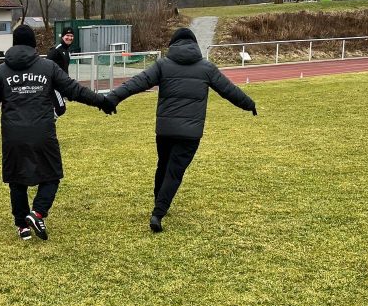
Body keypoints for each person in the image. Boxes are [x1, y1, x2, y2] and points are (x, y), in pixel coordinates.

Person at [0, 24, 115, 241]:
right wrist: (101, 101)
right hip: (42, 131)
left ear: (14, 44)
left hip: (13, 134)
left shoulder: (2, 71)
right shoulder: (47, 67)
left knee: (17, 180)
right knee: (52, 174)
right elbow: (74, 90)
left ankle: (22, 226)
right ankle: (37, 213)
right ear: (34, 44)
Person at [106, 27, 257, 234]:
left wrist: (114, 97)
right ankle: (158, 212)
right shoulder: (206, 68)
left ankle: (158, 201)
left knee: (163, 165)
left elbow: (137, 82)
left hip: (165, 130)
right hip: (190, 133)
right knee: (174, 172)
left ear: (173, 44)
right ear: (195, 45)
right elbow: (229, 90)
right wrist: (249, 104)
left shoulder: (163, 65)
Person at [45, 26, 74, 118]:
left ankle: (47, 122)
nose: (69, 38)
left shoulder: (67, 50)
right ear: (62, 36)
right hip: (54, 85)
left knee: (53, 107)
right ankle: (48, 121)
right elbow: (45, 64)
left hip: (62, 84)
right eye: (67, 35)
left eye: (71, 36)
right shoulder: (56, 50)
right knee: (61, 108)